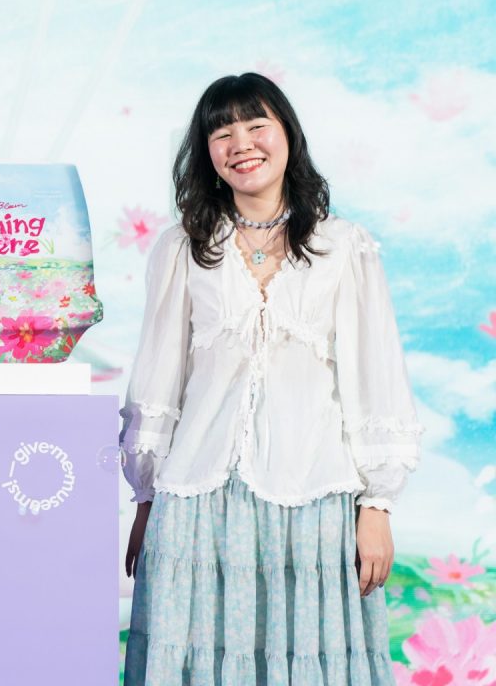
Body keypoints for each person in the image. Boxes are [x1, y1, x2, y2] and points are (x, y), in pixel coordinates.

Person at [120, 73, 421, 685]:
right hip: (198, 501)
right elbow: (159, 375)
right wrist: (147, 499)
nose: (241, 143)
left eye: (257, 125)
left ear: (287, 135)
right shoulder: (182, 248)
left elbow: (376, 376)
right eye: (222, 133)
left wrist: (377, 504)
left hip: (312, 498)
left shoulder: (344, 247)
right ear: (206, 151)